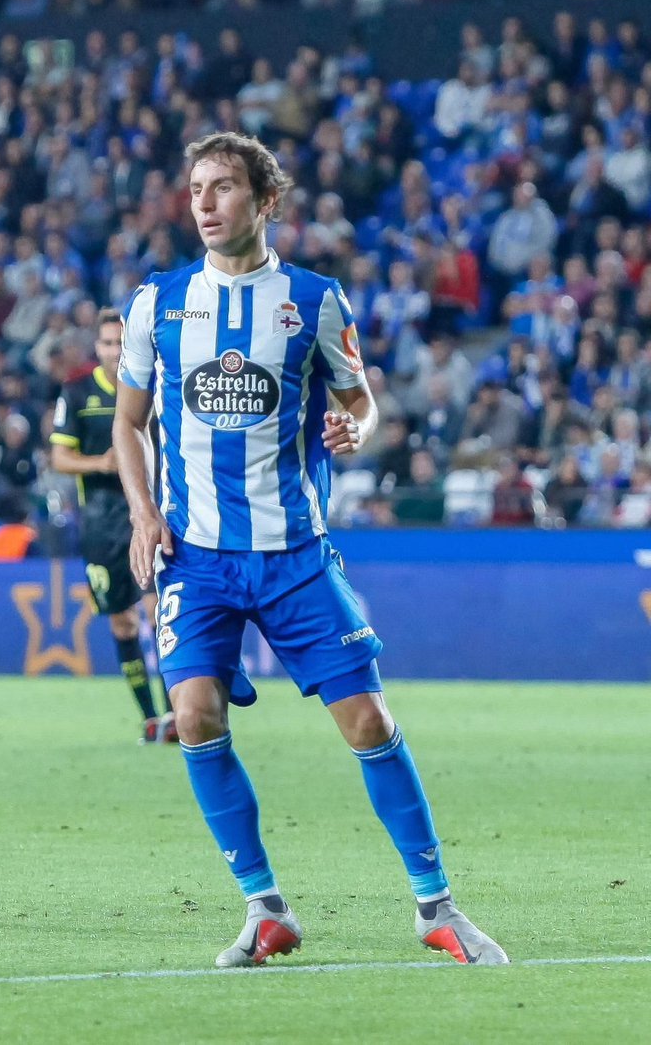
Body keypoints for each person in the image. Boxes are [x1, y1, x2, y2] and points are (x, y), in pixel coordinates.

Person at [111, 132, 506, 968]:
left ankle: (435, 904)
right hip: (198, 556)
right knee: (192, 716)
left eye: (224, 187)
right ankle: (263, 909)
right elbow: (127, 422)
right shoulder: (158, 303)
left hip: (293, 550)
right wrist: (143, 513)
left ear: (267, 200)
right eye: (196, 189)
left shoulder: (315, 301)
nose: (206, 203)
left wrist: (349, 428)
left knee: (369, 720)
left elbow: (363, 403)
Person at [50, 308, 173, 744]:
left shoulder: (154, 386)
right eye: (105, 343)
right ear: (96, 348)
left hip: (151, 514)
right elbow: (60, 457)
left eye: (120, 343)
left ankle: (178, 712)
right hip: (100, 521)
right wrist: (102, 461)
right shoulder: (78, 391)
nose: (113, 351)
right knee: (122, 623)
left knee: (160, 613)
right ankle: (149, 717)